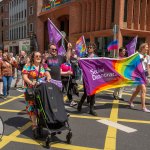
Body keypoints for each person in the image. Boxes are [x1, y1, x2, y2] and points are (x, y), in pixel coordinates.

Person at [22, 51, 51, 133]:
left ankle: (42, 121)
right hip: (31, 90)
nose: (38, 57)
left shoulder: (42, 66)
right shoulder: (28, 66)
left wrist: (48, 77)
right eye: (36, 56)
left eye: (40, 56)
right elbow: (24, 77)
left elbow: (47, 73)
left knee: (42, 106)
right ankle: (34, 124)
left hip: (41, 90)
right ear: (33, 58)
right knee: (32, 107)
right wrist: (31, 82)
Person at [77, 43, 98, 116]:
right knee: (86, 92)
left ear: (94, 49)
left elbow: (99, 66)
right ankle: (80, 104)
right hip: (86, 77)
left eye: (90, 47)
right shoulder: (84, 57)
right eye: (88, 47)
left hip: (93, 77)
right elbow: (80, 66)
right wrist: (79, 61)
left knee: (93, 92)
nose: (89, 48)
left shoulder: (96, 57)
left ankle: (91, 109)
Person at [128, 43, 150, 112]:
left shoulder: (148, 57)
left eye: (147, 47)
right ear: (142, 48)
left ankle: (130, 101)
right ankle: (143, 107)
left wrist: (148, 76)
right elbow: (133, 64)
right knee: (144, 90)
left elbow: (147, 67)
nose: (147, 49)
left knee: (137, 90)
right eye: (146, 47)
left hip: (144, 75)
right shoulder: (137, 55)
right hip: (138, 75)